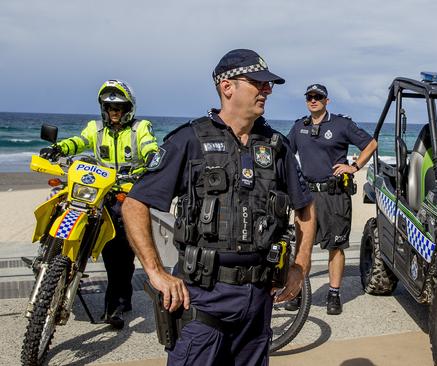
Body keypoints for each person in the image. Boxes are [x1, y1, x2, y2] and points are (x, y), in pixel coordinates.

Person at [121, 49, 316, 365]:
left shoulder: (276, 145)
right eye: (258, 83)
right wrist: (155, 272)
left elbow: (306, 208)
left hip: (258, 303)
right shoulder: (190, 140)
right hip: (203, 301)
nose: (267, 90)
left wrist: (300, 266)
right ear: (228, 87)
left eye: (268, 85)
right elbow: (134, 204)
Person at [51, 79, 158, 329]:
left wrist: (153, 157)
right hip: (99, 192)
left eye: (119, 107)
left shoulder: (140, 128)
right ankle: (50, 266)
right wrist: (58, 148)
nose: (114, 112)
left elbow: (149, 146)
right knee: (65, 207)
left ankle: (117, 305)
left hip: (127, 195)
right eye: (110, 108)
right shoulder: (95, 128)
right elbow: (79, 141)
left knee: (118, 254)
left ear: (128, 108)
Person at [286, 84, 377, 315]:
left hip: (334, 195)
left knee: (335, 246)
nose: (313, 100)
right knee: (301, 247)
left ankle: (334, 294)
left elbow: (371, 144)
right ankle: (296, 291)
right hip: (307, 195)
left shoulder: (341, 124)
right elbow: (285, 154)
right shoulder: (299, 127)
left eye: (318, 97)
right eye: (310, 97)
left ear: (327, 101)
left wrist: (354, 166)